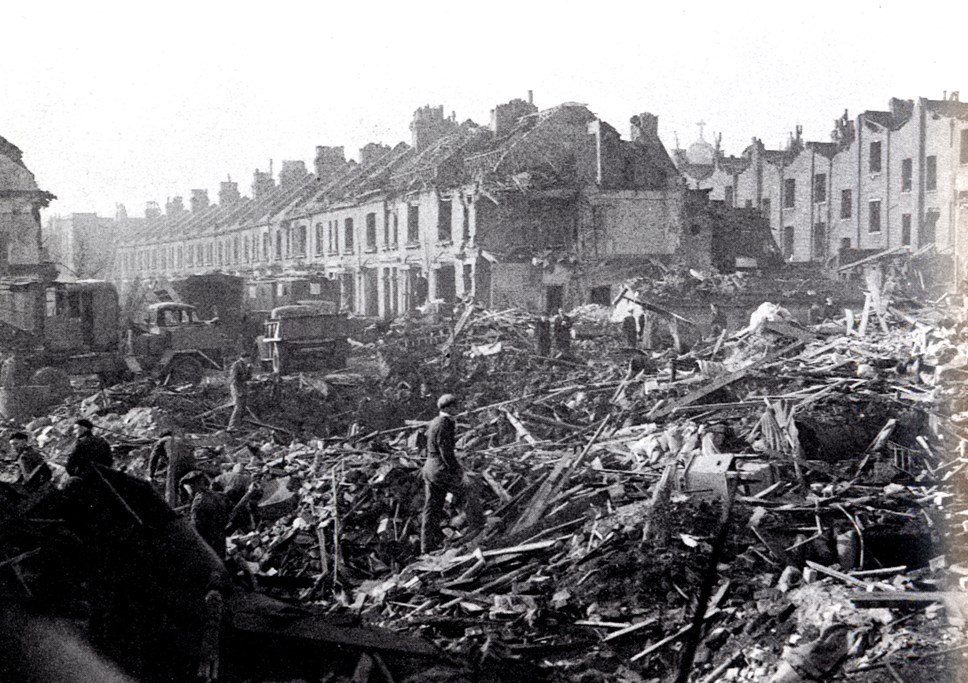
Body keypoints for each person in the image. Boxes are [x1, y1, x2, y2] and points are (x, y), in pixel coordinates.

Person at [420, 394, 484, 554]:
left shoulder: (435, 421)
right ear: (449, 408)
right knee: (469, 487)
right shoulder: (445, 424)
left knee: (431, 508)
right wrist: (460, 472)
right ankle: (478, 527)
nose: (459, 408)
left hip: (429, 468)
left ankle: (426, 547)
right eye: (456, 406)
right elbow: (446, 454)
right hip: (440, 469)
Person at [185, 472, 232, 560]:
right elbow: (228, 513)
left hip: (208, 541)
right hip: (220, 538)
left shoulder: (198, 501)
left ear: (193, 486)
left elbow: (196, 526)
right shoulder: (218, 495)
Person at [148, 430, 195, 507]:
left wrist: (151, 475)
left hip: (176, 462)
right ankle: (187, 503)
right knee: (185, 482)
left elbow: (154, 458)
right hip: (190, 462)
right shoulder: (179, 439)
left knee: (171, 487)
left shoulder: (162, 440)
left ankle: (170, 508)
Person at [227, 351, 253, 432]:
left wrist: (250, 370)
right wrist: (237, 391)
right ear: (243, 358)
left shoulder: (245, 366)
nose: (249, 361)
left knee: (243, 407)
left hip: (242, 387)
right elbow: (233, 379)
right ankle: (231, 426)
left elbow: (247, 378)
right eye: (247, 359)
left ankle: (239, 425)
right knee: (238, 407)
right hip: (237, 387)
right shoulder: (236, 365)